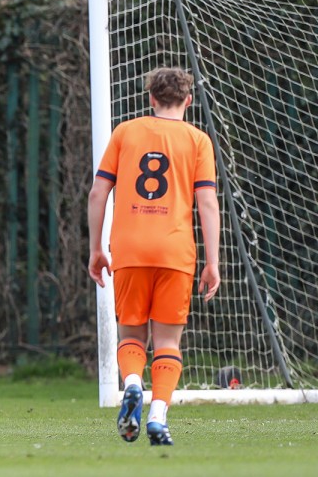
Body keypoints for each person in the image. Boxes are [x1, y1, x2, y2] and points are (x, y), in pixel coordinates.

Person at [87, 67, 221, 446]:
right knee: (167, 342)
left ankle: (131, 383)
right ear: (188, 101)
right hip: (175, 251)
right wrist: (213, 261)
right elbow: (207, 202)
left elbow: (98, 194)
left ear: (151, 99)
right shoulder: (198, 140)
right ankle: (158, 417)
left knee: (131, 333)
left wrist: (96, 248)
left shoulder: (125, 133)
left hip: (128, 248)